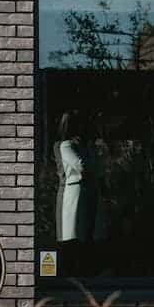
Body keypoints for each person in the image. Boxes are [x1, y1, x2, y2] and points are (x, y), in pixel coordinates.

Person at [54, 110, 97, 276]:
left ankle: (78, 269)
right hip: (73, 193)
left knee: (81, 233)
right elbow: (83, 165)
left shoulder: (79, 146)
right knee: (72, 234)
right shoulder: (67, 145)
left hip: (83, 192)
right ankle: (69, 270)